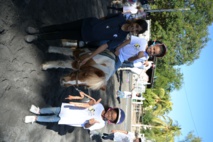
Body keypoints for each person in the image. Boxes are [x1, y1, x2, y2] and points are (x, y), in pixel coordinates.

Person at [24, 14, 148, 65]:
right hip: (86, 23)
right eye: (136, 26)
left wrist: (90, 56)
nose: (134, 28)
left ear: (136, 33)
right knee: (60, 26)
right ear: (135, 22)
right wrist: (96, 22)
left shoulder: (120, 38)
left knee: (61, 35)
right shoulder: (121, 17)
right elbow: (104, 18)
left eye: (137, 30)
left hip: (85, 36)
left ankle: (36, 37)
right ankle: (38, 30)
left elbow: (104, 46)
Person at [24, 91, 125, 131]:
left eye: (111, 117)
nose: (109, 115)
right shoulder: (100, 106)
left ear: (110, 121)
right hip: (70, 109)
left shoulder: (101, 124)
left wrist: (90, 124)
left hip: (71, 118)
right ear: (111, 109)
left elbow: (85, 126)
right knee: (53, 109)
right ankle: (39, 111)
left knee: (52, 119)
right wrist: (79, 98)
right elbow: (87, 102)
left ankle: (36, 118)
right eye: (112, 113)